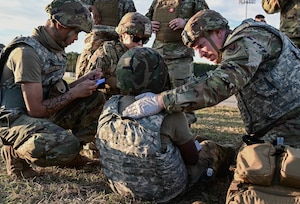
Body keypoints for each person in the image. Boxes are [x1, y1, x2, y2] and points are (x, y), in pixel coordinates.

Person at [123, 9, 300, 148]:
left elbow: (219, 85)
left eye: (201, 45)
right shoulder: (243, 43)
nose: (200, 53)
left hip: (291, 126)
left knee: (259, 169)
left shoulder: (249, 39)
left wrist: (162, 101)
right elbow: (207, 79)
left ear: (217, 32)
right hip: (276, 127)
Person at [95, 46, 235, 202]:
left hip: (121, 186)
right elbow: (192, 159)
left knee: (188, 139)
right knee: (209, 147)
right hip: (165, 192)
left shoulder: (110, 105)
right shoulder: (169, 114)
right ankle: (231, 161)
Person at [0, 0, 106, 178]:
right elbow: (36, 109)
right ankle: (14, 151)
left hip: (37, 114)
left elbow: (51, 92)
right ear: (60, 24)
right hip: (14, 120)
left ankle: (70, 155)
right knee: (65, 144)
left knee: (95, 100)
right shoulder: (27, 53)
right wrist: (74, 93)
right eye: (76, 31)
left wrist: (81, 81)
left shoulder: (54, 49)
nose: (76, 38)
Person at [145, 0, 210, 125]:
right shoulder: (158, 1)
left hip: (181, 57)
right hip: (157, 56)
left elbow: (207, 19)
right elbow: (145, 20)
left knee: (183, 95)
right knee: (156, 95)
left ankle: (184, 134)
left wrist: (186, 23)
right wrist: (149, 24)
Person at [78, 12, 152, 99]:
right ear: (124, 35)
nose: (140, 43)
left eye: (144, 40)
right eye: (136, 38)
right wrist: (107, 81)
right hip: (106, 101)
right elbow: (89, 82)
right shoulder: (107, 52)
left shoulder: (141, 55)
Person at [75, 0, 136, 79]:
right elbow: (77, 6)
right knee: (86, 66)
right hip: (95, 35)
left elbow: (132, 18)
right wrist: (91, 7)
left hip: (117, 37)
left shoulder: (127, 2)